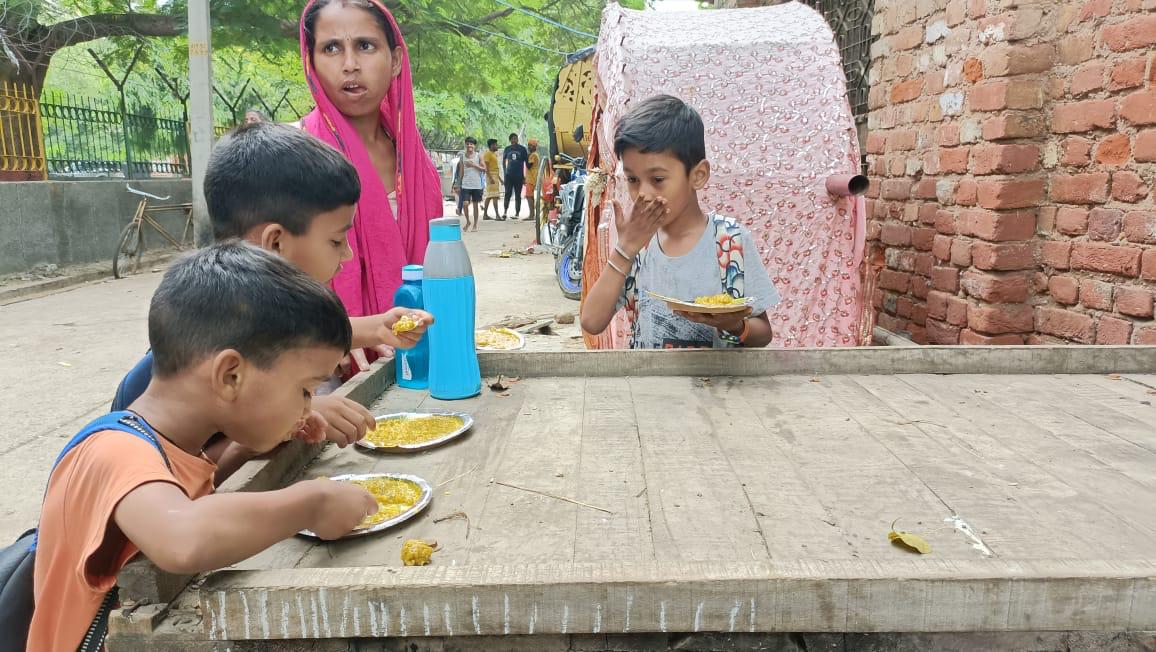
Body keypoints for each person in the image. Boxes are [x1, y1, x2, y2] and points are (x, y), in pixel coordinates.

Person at [28, 242, 381, 650]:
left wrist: (244, 450)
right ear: (230, 375)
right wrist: (312, 503)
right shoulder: (112, 452)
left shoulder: (170, 444)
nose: (307, 407)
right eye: (304, 390)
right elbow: (182, 535)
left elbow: (182, 491)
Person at [111, 123, 432, 479]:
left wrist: (378, 328)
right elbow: (179, 479)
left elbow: (290, 336)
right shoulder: (185, 366)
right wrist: (292, 414)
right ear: (276, 244)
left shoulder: (242, 314)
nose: (347, 255)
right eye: (336, 240)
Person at [580, 95, 780, 349]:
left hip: (720, 387)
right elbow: (592, 321)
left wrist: (735, 326)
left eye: (658, 179)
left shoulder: (730, 242)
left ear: (698, 175)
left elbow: (763, 334)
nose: (643, 193)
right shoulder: (639, 246)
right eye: (632, 180)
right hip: (652, 386)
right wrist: (625, 249)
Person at [299, 0, 443, 325]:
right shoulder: (291, 155)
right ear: (311, 62)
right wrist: (337, 334)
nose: (349, 64)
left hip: (417, 344)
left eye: (365, 45)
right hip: (322, 358)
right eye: (331, 48)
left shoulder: (420, 170)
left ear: (395, 60)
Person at [458, 137, 485, 232]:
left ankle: (475, 225)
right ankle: (468, 221)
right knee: (465, 204)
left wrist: (473, 165)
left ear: (474, 146)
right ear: (465, 145)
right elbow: (461, 172)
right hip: (466, 185)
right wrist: (458, 184)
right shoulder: (462, 157)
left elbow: (484, 169)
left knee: (475, 205)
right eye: (468, 143)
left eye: (471, 144)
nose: (469, 145)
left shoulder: (479, 156)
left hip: (477, 185)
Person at [502, 133, 529, 219]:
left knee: (518, 195)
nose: (514, 140)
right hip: (509, 176)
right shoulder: (507, 149)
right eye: (512, 139)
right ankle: (505, 212)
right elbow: (503, 161)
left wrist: (525, 177)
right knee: (507, 194)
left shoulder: (522, 149)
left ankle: (517, 213)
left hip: (519, 176)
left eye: (516, 138)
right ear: (510, 140)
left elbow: (526, 162)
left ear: (517, 139)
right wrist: (505, 172)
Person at [482, 138, 502, 220]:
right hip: (491, 176)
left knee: (489, 196)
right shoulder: (488, 154)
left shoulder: (494, 154)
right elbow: (486, 167)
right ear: (492, 145)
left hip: (495, 175)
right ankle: (497, 215)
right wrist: (490, 178)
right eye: (495, 145)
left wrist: (500, 179)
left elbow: (495, 168)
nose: (497, 146)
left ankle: (485, 215)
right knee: (494, 196)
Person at [524, 139, 541, 223]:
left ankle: (531, 215)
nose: (529, 147)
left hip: (531, 178)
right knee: (530, 196)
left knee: (528, 196)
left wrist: (525, 157)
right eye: (528, 145)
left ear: (534, 147)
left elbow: (528, 166)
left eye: (531, 145)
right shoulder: (534, 154)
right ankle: (532, 214)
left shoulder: (533, 155)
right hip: (531, 177)